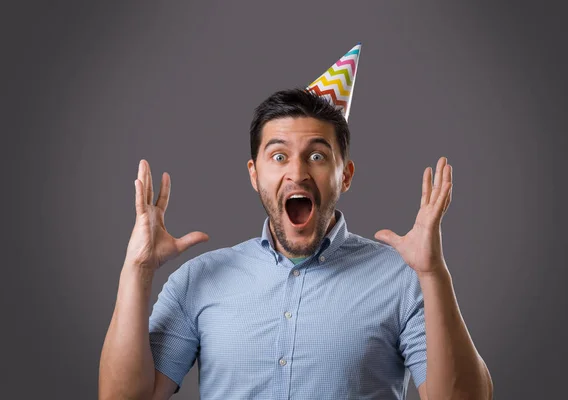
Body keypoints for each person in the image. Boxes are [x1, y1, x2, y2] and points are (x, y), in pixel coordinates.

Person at [99, 46, 493, 400]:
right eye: (279, 156)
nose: (298, 173)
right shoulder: (198, 280)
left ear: (346, 175)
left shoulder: (404, 280)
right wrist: (138, 271)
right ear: (254, 175)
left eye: (318, 156)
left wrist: (433, 274)